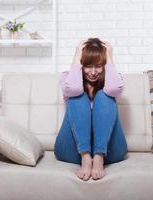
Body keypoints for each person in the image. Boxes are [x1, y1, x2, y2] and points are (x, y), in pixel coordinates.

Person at [54, 38, 128, 181]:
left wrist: (110, 56)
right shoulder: (68, 78)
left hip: (110, 151)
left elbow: (114, 89)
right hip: (73, 150)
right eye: (88, 66)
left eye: (98, 66)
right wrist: (77, 54)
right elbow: (73, 89)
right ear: (81, 65)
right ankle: (86, 158)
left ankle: (98, 157)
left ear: (105, 66)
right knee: (77, 96)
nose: (93, 72)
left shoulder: (114, 79)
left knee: (104, 96)